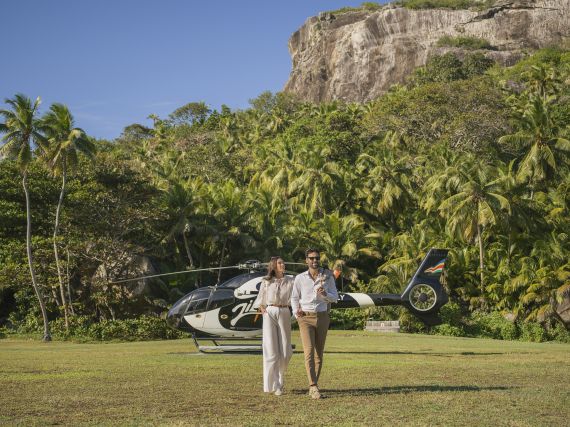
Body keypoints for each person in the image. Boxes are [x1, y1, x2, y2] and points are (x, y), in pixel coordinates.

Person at [291, 248, 339, 399]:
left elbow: (335, 297)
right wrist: (296, 312)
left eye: (317, 258)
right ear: (306, 260)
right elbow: (294, 297)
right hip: (305, 318)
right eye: (311, 258)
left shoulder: (328, 277)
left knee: (319, 354)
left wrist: (325, 294)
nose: (315, 261)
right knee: (309, 351)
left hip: (322, 316)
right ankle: (313, 385)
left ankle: (314, 385)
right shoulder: (300, 278)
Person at [252, 256, 294, 396]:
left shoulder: (291, 281)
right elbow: (260, 300)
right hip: (269, 312)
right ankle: (276, 384)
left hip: (284, 311)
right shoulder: (266, 281)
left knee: (286, 350)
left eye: (283, 262)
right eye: (280, 263)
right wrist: (263, 310)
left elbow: (295, 297)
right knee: (271, 350)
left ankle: (281, 375)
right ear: (274, 266)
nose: (283, 264)